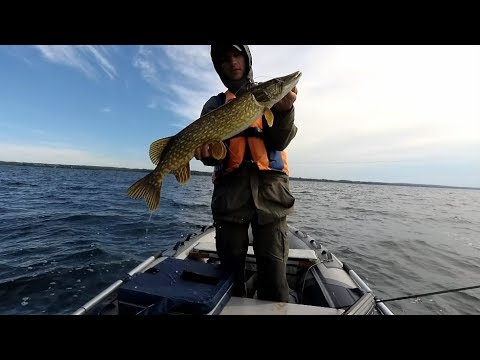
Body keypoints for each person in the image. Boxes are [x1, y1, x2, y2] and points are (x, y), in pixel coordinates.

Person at [194, 45, 298, 303]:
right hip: (230, 198)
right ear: (219, 66)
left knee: (275, 279)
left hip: (271, 195)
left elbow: (280, 140)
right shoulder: (215, 104)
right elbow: (213, 156)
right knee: (229, 278)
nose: (233, 62)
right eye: (225, 58)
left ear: (247, 58)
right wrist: (208, 153)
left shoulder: (268, 97)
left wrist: (284, 111)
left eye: (237, 54)